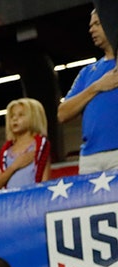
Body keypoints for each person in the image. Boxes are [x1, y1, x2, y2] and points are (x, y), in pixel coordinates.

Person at [57, 9, 118, 174]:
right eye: (91, 25)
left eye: (97, 24)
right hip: (89, 158)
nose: (91, 29)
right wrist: (97, 86)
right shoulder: (87, 72)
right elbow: (62, 113)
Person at [0, 98, 51, 190]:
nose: (15, 119)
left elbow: (45, 180)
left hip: (32, 199)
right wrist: (14, 166)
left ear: (34, 117)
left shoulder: (40, 147)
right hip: (10, 201)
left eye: (21, 115)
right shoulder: (5, 152)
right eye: (12, 116)